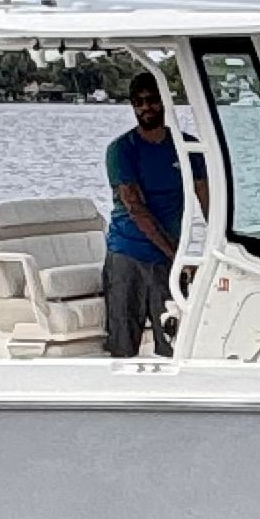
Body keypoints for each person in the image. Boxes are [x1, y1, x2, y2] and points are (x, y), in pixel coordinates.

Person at [101, 70, 182, 358]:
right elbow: (135, 207)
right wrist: (175, 254)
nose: (146, 107)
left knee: (175, 343)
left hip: (169, 257)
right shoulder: (121, 150)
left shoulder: (185, 148)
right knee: (123, 345)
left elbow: (207, 196)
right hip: (128, 253)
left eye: (152, 100)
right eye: (139, 102)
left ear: (164, 101)